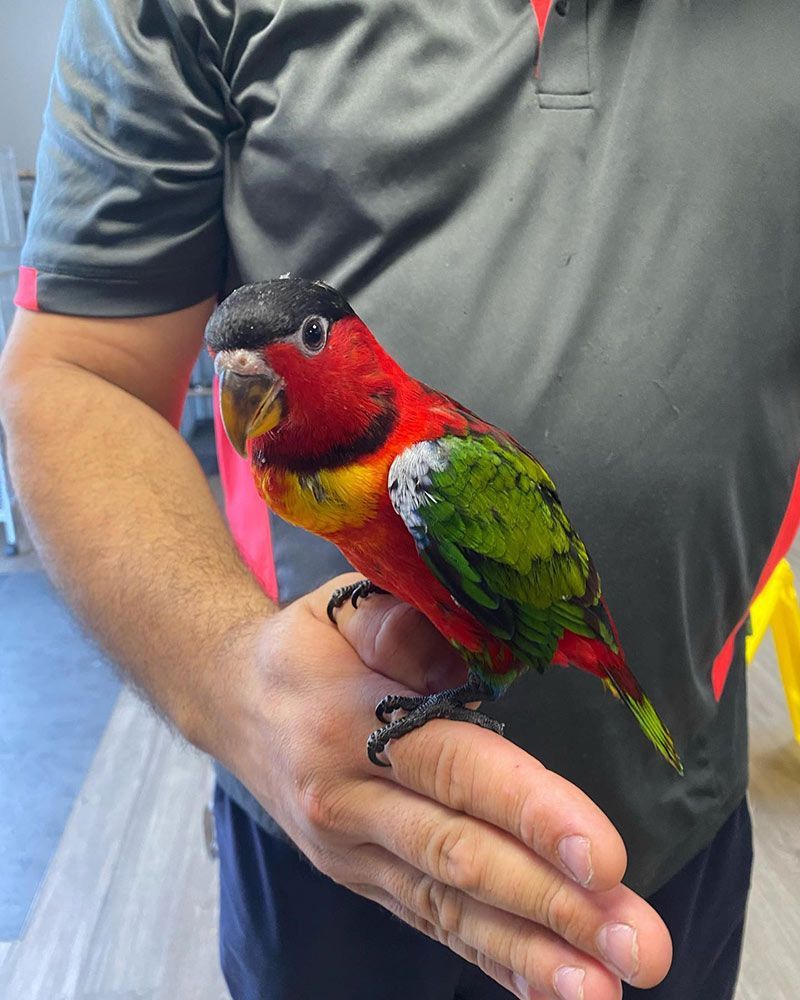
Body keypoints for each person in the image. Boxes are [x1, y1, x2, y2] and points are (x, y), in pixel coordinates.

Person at [2, 0, 796, 996]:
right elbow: (83, 371)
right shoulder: (303, 478)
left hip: (670, 820)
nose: (252, 383)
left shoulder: (428, 471)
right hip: (314, 845)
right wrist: (239, 692)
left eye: (299, 351)